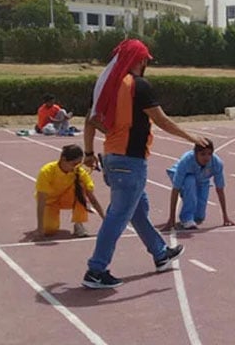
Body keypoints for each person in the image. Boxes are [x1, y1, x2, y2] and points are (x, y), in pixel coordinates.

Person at [81, 39, 207, 289]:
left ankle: (160, 253)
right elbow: (162, 121)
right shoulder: (138, 86)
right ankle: (96, 270)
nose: (146, 63)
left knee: (137, 210)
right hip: (130, 162)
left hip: (112, 159)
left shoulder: (109, 86)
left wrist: (88, 152)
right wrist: (192, 137)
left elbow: (89, 119)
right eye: (146, 59)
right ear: (141, 60)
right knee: (117, 216)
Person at [162, 140, 235, 230]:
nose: (206, 158)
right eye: (202, 154)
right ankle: (186, 218)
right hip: (182, 176)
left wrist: (225, 216)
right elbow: (175, 190)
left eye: (209, 154)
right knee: (190, 181)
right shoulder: (186, 161)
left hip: (202, 180)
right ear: (195, 153)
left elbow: (220, 189)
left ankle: (193, 215)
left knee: (199, 217)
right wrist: (171, 218)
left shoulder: (217, 163)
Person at [35, 144, 105, 238]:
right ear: (63, 159)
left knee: (81, 188)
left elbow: (92, 199)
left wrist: (106, 221)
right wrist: (40, 229)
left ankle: (79, 224)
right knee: (49, 229)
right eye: (74, 164)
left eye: (79, 164)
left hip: (67, 198)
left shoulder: (79, 172)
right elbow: (41, 201)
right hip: (49, 201)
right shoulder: (47, 171)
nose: (76, 167)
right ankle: (47, 222)